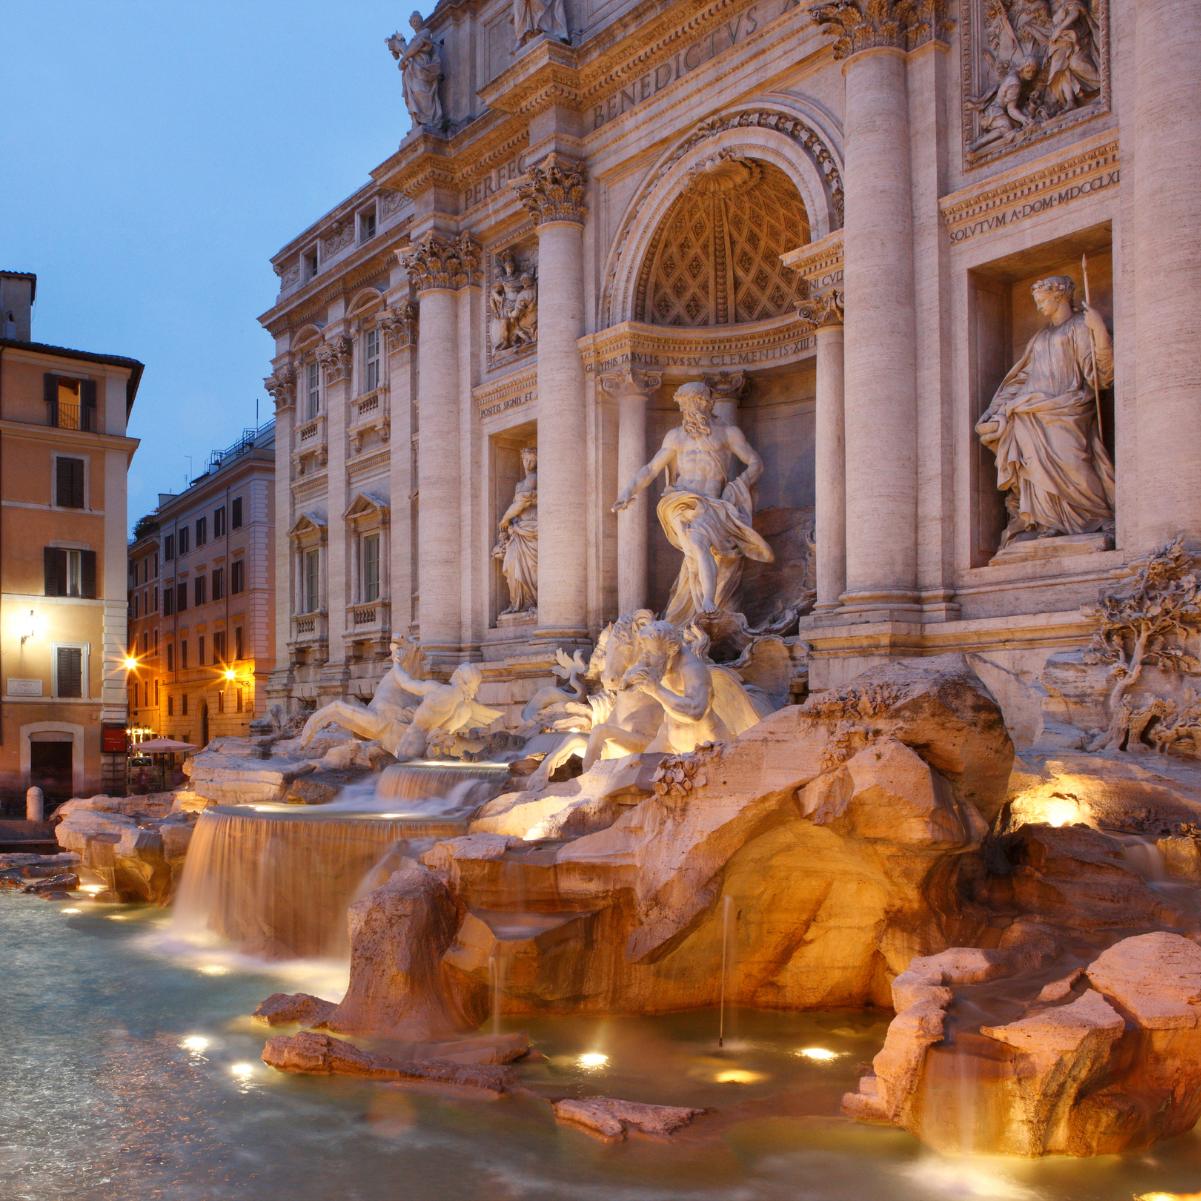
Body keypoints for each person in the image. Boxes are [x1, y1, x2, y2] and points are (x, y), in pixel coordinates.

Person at [613, 381, 772, 625]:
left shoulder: (729, 433)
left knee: (695, 546)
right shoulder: (675, 436)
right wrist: (628, 491)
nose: (685, 411)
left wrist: (736, 486)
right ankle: (702, 604)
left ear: (704, 402)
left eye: (688, 404)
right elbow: (651, 468)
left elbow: (756, 464)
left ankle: (704, 603)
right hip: (678, 498)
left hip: (711, 504)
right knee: (692, 546)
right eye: (682, 406)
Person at [976, 275, 1114, 549]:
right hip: (1028, 412)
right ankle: (1051, 520)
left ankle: (1100, 515)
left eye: (1042, 301)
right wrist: (994, 410)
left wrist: (1098, 329)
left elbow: (1099, 374)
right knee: (1035, 468)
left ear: (1059, 297)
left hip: (1067, 407)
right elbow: (1020, 379)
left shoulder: (1080, 326)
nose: (1038, 307)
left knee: (1074, 463)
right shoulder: (1041, 335)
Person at [493, 447, 538, 612]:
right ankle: (518, 603)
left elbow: (520, 503)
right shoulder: (525, 481)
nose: (528, 463)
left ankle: (529, 602)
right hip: (519, 529)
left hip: (529, 526)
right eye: (525, 459)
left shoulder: (533, 478)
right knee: (512, 563)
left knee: (531, 568)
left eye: (532, 459)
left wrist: (505, 519)